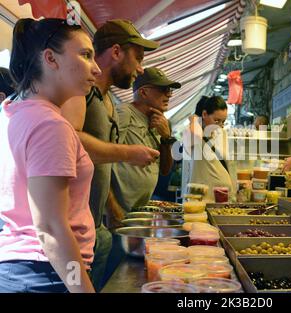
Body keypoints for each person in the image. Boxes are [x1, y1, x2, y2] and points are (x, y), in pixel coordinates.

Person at [0, 18, 101, 293]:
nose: (97, 68)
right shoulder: (49, 125)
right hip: (46, 274)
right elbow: (50, 229)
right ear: (50, 59)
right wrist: (81, 288)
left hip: (23, 270)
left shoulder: (11, 112)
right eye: (85, 55)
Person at [61, 19, 160, 291]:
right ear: (116, 52)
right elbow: (68, 138)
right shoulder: (82, 93)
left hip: (95, 227)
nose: (140, 69)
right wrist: (128, 153)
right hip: (71, 234)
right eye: (138, 58)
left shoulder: (107, 100)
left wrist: (110, 207)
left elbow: (99, 167)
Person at [110, 67, 180, 216]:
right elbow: (103, 161)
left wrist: (166, 138)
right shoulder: (124, 112)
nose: (168, 94)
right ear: (143, 92)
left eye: (170, 90)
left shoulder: (161, 121)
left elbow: (165, 170)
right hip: (119, 210)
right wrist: (112, 208)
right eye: (163, 89)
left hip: (139, 209)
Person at [184, 96, 235, 202]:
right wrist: (194, 118)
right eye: (216, 121)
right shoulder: (193, 133)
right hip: (200, 199)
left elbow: (228, 164)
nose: (220, 126)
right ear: (204, 114)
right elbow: (196, 134)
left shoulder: (221, 134)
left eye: (223, 121)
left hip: (222, 197)